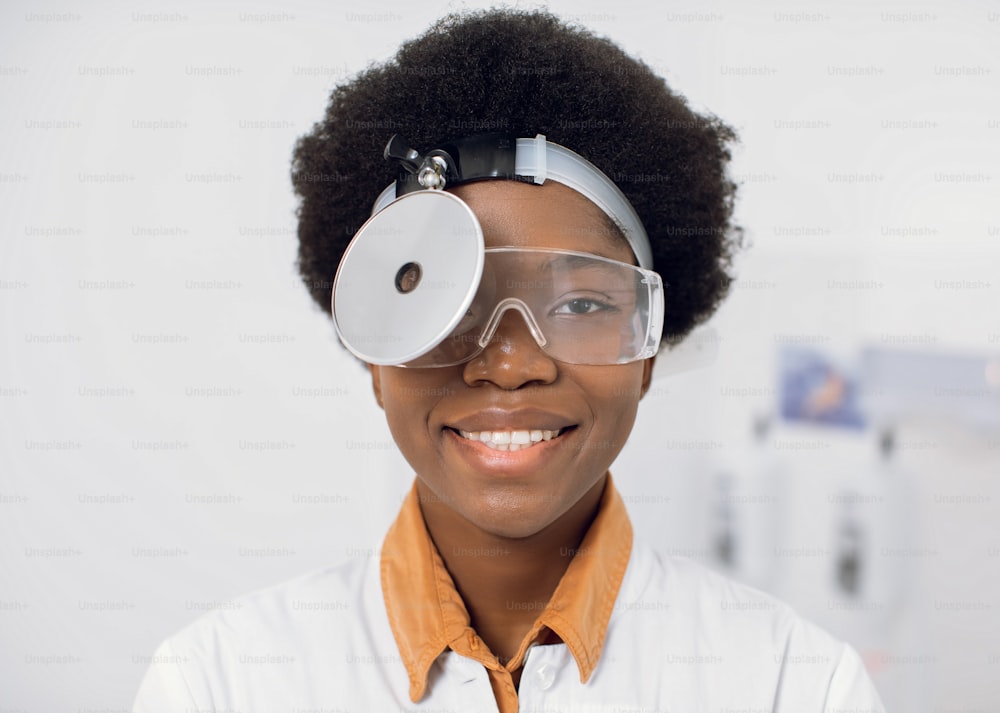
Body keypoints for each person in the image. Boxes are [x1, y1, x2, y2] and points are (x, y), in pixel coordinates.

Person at [133, 9, 885, 712]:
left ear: (650, 349)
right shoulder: (220, 682)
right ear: (374, 356)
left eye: (582, 304)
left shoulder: (797, 685)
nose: (510, 363)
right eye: (448, 304)